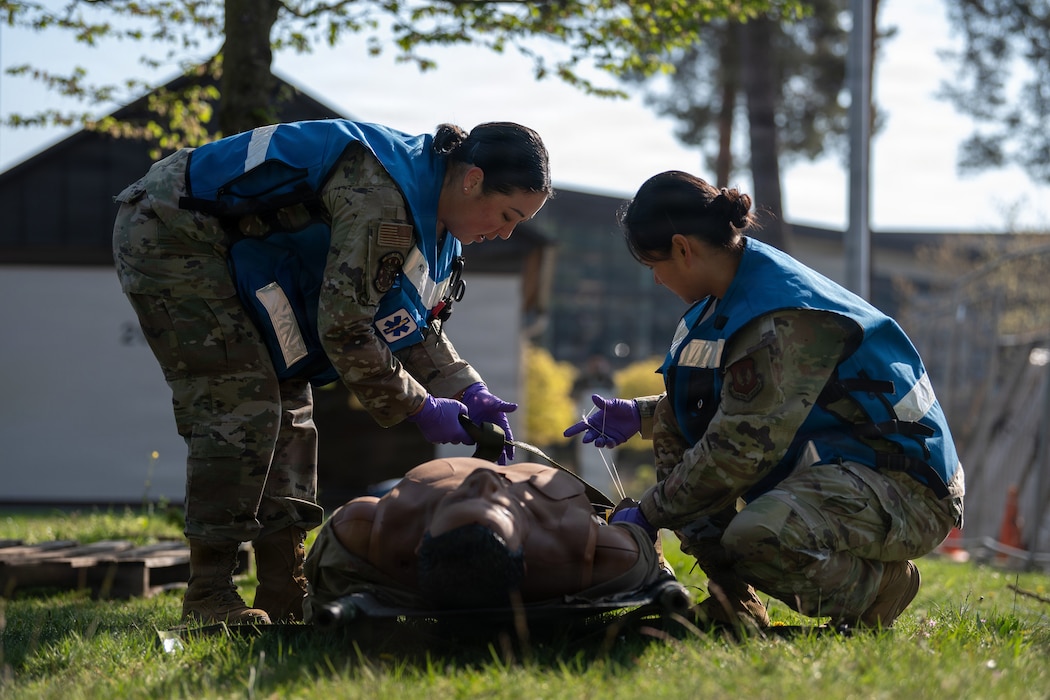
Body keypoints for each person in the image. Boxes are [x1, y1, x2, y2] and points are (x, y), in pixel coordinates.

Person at [112, 119, 551, 625]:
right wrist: (420, 407)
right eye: (507, 214)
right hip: (172, 227)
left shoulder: (440, 226)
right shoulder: (383, 198)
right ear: (472, 179)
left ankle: (283, 587)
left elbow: (407, 319)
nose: (506, 233)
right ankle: (210, 595)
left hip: (248, 252)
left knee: (292, 406)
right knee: (242, 403)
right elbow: (345, 330)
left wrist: (468, 389)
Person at [563, 171, 965, 631]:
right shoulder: (726, 297)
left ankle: (881, 590)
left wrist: (648, 513)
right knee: (679, 429)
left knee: (758, 536)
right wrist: (644, 414)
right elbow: (732, 398)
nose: (655, 280)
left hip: (907, 487)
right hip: (842, 464)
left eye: (654, 265)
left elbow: (737, 450)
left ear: (682, 248)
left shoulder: (781, 316)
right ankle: (732, 605)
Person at [303, 456, 670, 619]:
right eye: (501, 505)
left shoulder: (367, 530)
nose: (482, 481)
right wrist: (630, 524)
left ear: (418, 546)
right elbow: (641, 548)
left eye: (460, 497)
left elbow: (324, 581)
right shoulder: (592, 553)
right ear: (524, 553)